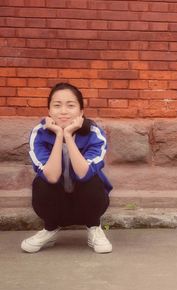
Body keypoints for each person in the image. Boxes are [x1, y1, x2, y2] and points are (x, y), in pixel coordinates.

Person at [21, 82, 113, 254]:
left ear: (81, 112)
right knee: (42, 182)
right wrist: (58, 135)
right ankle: (50, 229)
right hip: (57, 201)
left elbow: (84, 174)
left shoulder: (94, 132)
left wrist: (69, 136)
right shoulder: (39, 132)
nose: (63, 111)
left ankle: (94, 227)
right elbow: (52, 177)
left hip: (88, 201)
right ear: (49, 111)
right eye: (57, 105)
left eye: (70, 105)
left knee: (92, 178)